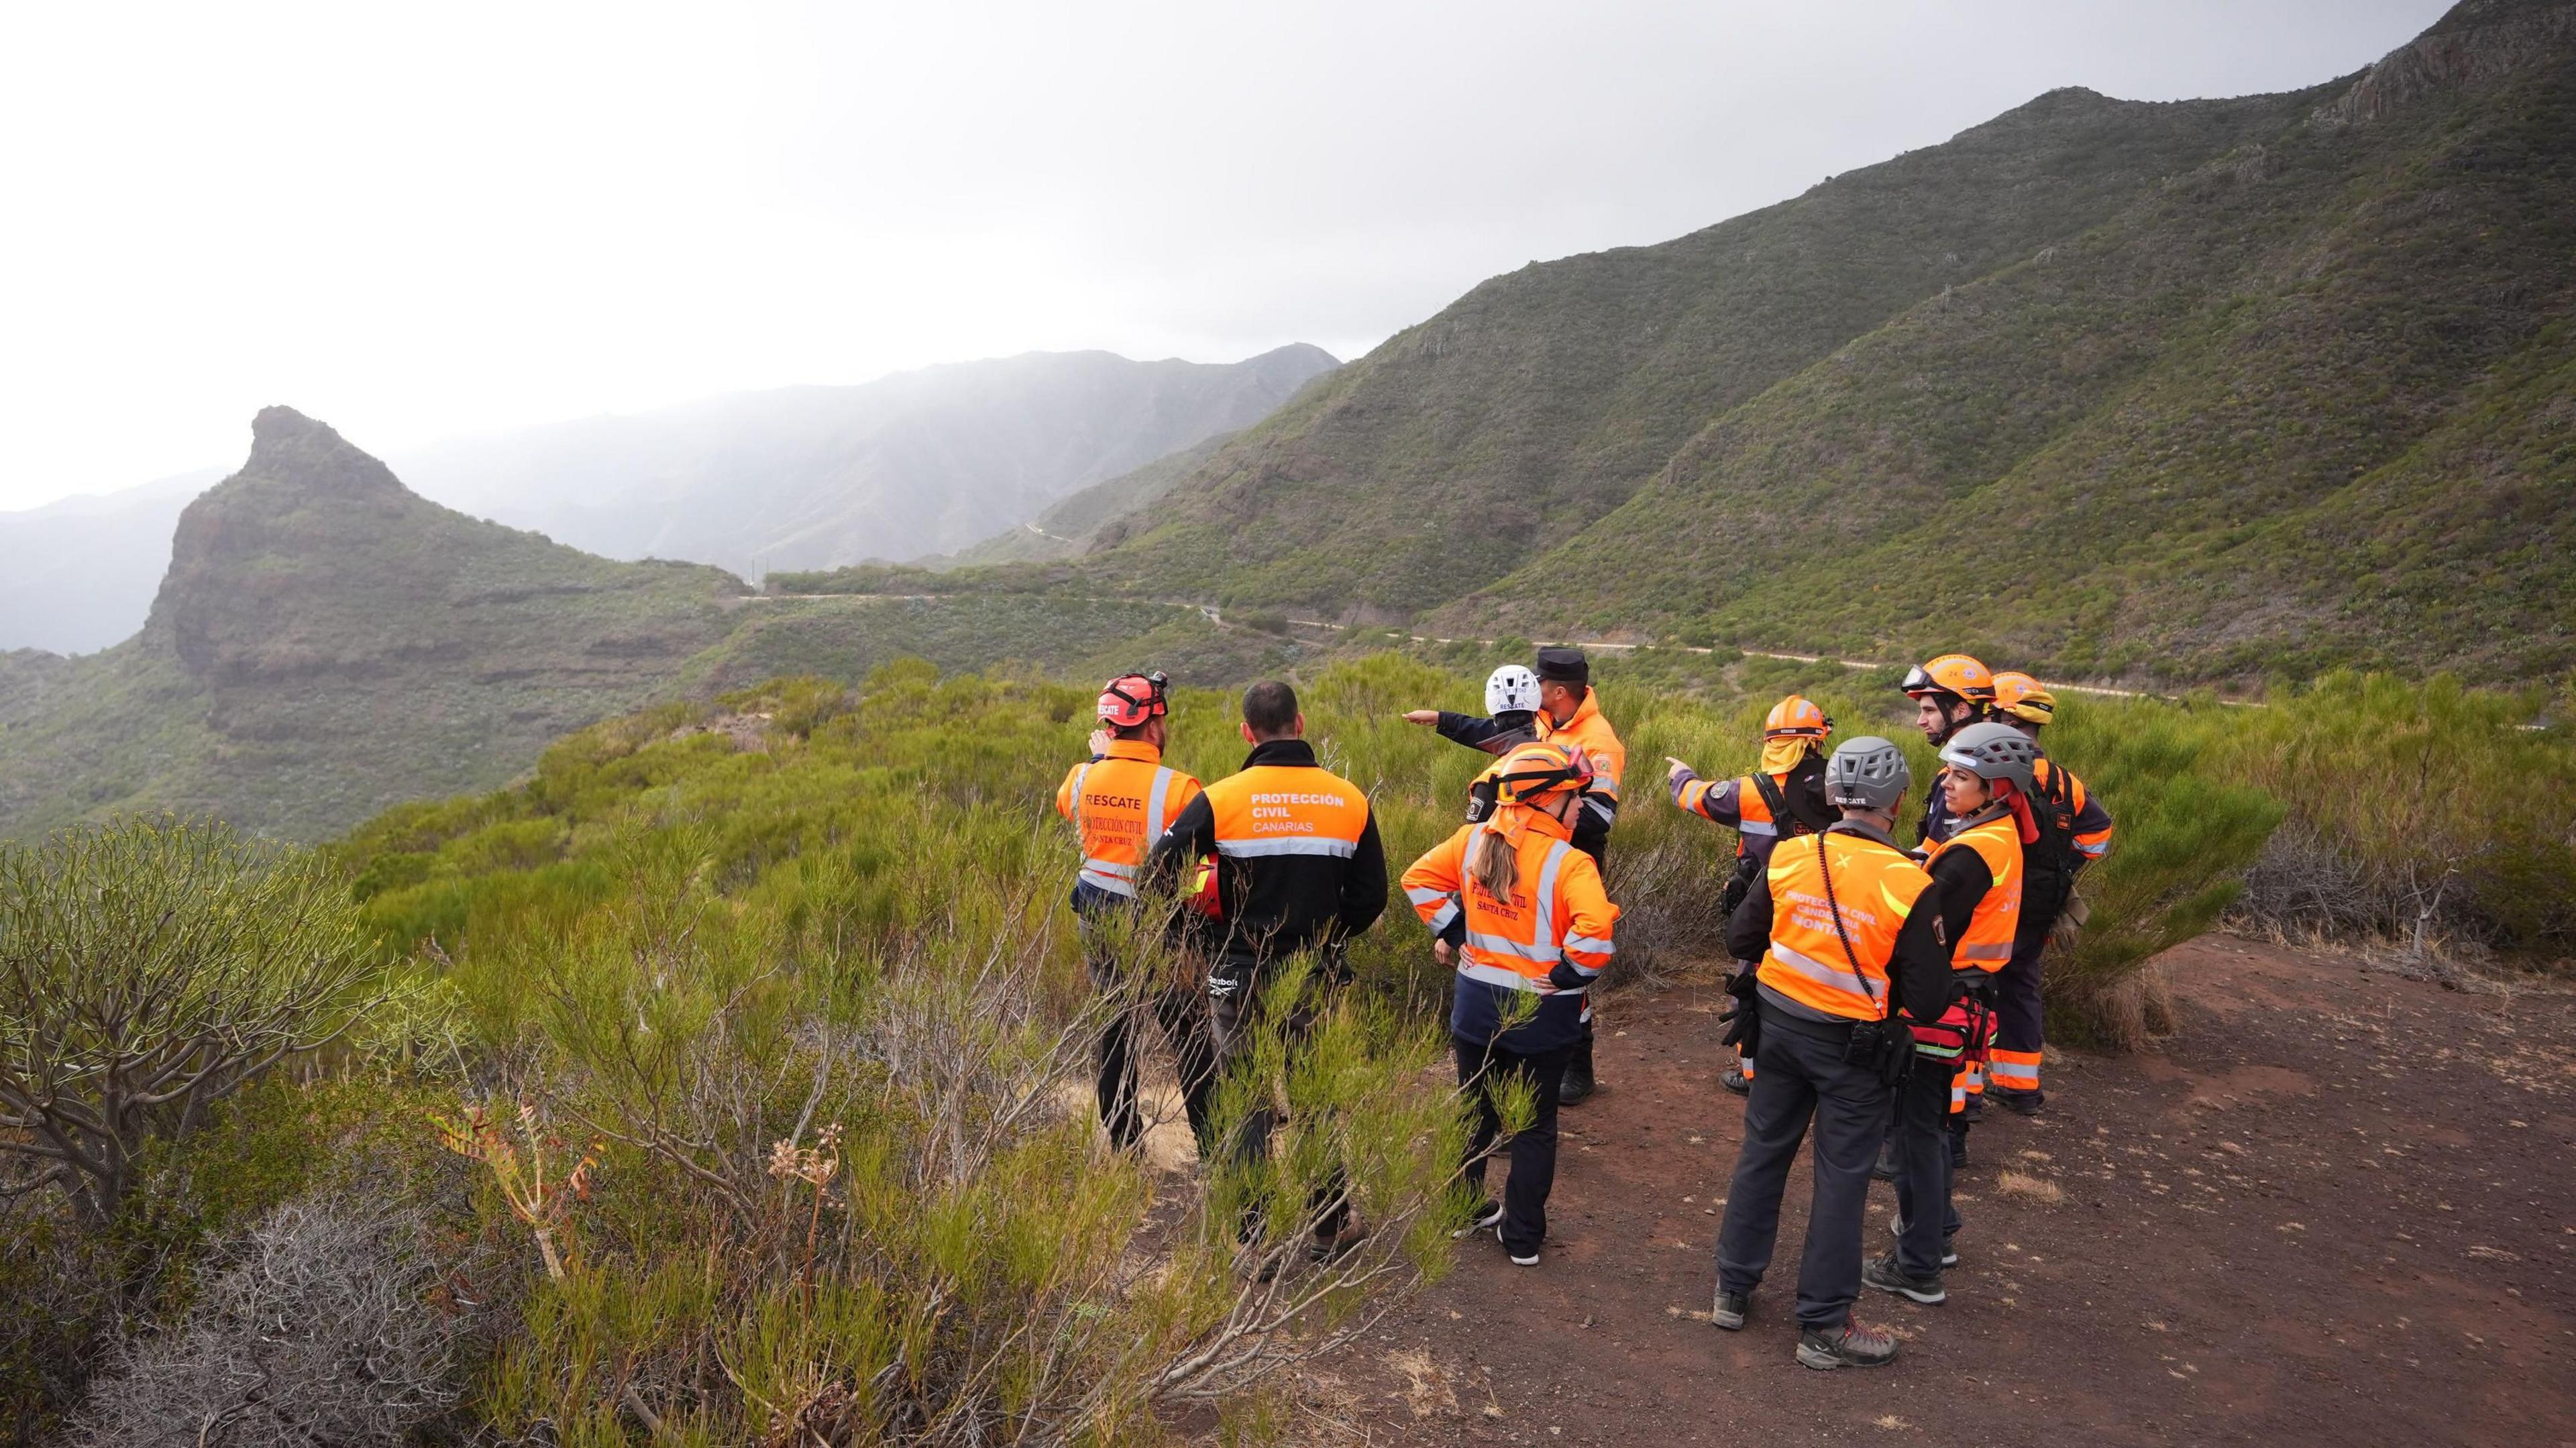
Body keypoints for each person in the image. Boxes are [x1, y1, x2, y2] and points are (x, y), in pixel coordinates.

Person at [1709, 737, 1956, 1370]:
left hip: (1779, 1029)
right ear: (1898, 802)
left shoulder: (1792, 854)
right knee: (1841, 1179)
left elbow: (1742, 934)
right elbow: (1929, 1002)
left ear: (1833, 794)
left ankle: (1732, 1289)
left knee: (1763, 1154)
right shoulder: (1909, 881)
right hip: (1854, 1050)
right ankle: (1823, 1324)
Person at [1146, 679, 1388, 1259]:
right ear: (1300, 724)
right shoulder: (1347, 799)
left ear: (1246, 732)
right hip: (1312, 970)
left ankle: (1252, 1242)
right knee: (1313, 1095)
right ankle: (1329, 1229)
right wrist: (1330, 936)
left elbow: (1155, 875)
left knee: (1246, 1097)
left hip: (1236, 967)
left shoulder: (1222, 799)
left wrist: (1200, 936)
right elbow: (1371, 894)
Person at [1401, 741, 1619, 1267]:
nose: (1579, 808)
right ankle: (1522, 1238)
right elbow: (1596, 932)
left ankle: (1461, 1209)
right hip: (1542, 1017)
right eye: (1573, 798)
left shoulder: (1471, 839)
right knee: (1534, 1125)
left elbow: (1417, 879)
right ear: (1546, 801)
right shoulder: (1571, 863)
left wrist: (1456, 930)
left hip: (1476, 1008)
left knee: (1473, 1111)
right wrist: (1567, 977)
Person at [1405, 647, 1627, 1103]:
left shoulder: (1598, 741)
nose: (1534, 689)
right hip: (1529, 859)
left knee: (1561, 972)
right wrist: (1442, 719)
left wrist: (1534, 806)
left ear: (1557, 690)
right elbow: (1503, 736)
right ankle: (1525, 1074)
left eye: (1539, 682)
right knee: (1520, 967)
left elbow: (1598, 817)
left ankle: (1573, 1070)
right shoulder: (1547, 727)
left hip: (1566, 868)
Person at [1865, 722, 2035, 1306]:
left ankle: (1918, 1266)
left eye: (1963, 777)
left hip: (1938, 1004)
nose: (1948, 785)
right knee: (1929, 1125)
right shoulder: (1995, 836)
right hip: (1964, 1001)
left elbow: (1923, 921)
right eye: (1949, 773)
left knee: (1916, 1132)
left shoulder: (1971, 855)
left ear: (1999, 788)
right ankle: (1935, 1233)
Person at [1055, 671, 1214, 1153]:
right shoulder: (1181, 789)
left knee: (1115, 1025)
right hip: (1160, 926)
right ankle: (1213, 1145)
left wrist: (1103, 758)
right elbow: (1206, 862)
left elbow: (1070, 807)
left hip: (1097, 917)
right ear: (1151, 725)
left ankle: (1125, 1140)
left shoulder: (1080, 776)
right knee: (1189, 1032)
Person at [1665, 695, 1835, 1095]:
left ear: (1771, 743)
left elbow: (1693, 797)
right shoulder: (1842, 783)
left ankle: (1754, 1073)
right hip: (1827, 904)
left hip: (1766, 906)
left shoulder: (1751, 791)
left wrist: (1681, 775)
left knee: (1753, 983)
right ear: (1818, 740)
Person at [1981, 672, 2115, 1114]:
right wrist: (2065, 865)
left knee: (1975, 983)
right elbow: (2099, 834)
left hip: (1995, 901)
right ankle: (2020, 1085)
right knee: (2020, 985)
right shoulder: (2064, 780)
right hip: (2041, 904)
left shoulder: (1992, 772)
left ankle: (1967, 1088)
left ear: (2003, 715)